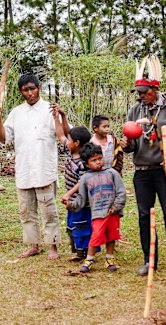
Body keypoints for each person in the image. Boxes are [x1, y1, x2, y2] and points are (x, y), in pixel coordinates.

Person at [119, 56, 166, 276]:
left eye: (144, 92)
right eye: (138, 93)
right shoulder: (134, 111)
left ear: (155, 90)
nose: (140, 97)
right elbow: (131, 147)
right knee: (144, 215)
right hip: (142, 172)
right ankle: (150, 260)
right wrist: (126, 144)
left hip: (164, 171)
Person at [0, 74, 66, 259]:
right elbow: (4, 138)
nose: (30, 93)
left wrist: (62, 116)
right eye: (26, 90)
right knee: (27, 211)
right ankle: (34, 245)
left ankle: (53, 246)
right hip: (24, 169)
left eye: (33, 88)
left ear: (39, 88)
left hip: (44, 169)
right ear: (21, 92)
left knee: (48, 210)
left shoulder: (50, 110)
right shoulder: (17, 113)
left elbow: (65, 134)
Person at [67, 144, 126, 273]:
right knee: (96, 236)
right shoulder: (85, 178)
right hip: (98, 213)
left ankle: (109, 259)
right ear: (87, 164)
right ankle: (89, 260)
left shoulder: (112, 173)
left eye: (100, 158)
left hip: (112, 212)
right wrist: (70, 204)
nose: (98, 162)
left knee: (111, 235)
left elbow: (121, 192)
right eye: (94, 160)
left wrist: (116, 206)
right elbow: (81, 199)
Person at [53, 108, 93, 261]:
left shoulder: (84, 162)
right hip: (71, 199)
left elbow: (82, 181)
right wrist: (59, 117)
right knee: (72, 224)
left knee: (81, 225)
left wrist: (69, 194)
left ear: (76, 143)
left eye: (70, 140)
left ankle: (84, 252)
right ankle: (78, 250)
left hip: (81, 200)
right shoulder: (70, 151)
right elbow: (60, 134)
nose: (66, 141)